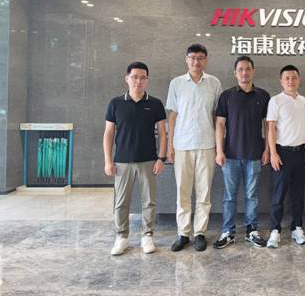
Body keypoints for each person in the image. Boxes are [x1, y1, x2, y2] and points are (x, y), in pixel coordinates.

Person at [103, 61, 167, 256]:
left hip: (148, 160)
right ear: (127, 79)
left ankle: (147, 235)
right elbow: (108, 133)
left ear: (147, 80)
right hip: (122, 161)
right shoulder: (116, 103)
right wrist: (108, 160)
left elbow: (163, 133)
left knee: (149, 201)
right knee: (121, 202)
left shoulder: (155, 104)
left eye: (142, 77)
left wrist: (161, 158)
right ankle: (121, 237)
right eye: (134, 77)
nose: (138, 81)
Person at [166, 44, 222, 252]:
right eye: (192, 58)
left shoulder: (214, 83)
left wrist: (219, 145)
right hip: (182, 145)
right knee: (183, 191)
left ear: (205, 60)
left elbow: (218, 117)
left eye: (200, 58)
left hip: (207, 144)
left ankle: (200, 233)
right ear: (186, 59)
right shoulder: (177, 83)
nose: (196, 62)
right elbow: (172, 117)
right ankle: (183, 233)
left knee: (204, 192)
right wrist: (170, 146)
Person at [213, 55, 270, 249]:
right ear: (235, 73)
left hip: (254, 154)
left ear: (253, 71)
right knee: (229, 196)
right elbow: (219, 124)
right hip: (230, 155)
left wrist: (267, 150)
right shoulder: (227, 96)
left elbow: (268, 126)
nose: (244, 73)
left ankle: (251, 231)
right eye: (240, 69)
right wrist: (219, 151)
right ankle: (228, 232)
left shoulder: (263, 96)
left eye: (247, 69)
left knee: (251, 196)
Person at [266, 65, 305, 248]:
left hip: (300, 153)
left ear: (299, 80)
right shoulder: (275, 101)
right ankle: (275, 231)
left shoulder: (304, 101)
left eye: (294, 78)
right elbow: (271, 128)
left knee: (298, 195)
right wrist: (273, 153)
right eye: (287, 78)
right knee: (278, 195)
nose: (291, 81)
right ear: (281, 81)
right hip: (281, 153)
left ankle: (297, 228)